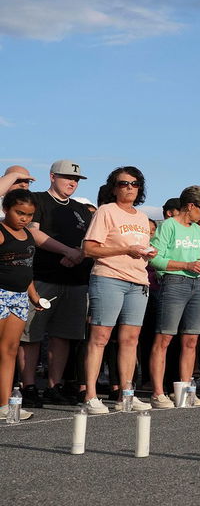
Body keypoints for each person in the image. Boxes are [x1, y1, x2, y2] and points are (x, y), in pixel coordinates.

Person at [80, 167, 157, 413]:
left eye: (134, 183)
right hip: (109, 277)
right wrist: (125, 250)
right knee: (100, 337)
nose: (129, 188)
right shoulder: (106, 211)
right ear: (114, 187)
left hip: (138, 280)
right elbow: (89, 249)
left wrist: (147, 253)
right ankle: (91, 395)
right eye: (123, 183)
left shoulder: (142, 217)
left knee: (130, 339)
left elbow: (138, 249)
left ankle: (126, 393)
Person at [18, 160, 90, 407]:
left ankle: (54, 385)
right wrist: (66, 251)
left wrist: (77, 254)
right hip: (42, 276)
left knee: (63, 336)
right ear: (52, 176)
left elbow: (88, 241)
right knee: (32, 335)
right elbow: (33, 232)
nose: (72, 183)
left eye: (76, 179)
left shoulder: (80, 209)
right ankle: (28, 386)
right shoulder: (37, 200)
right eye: (67, 177)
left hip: (75, 279)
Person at [146, 185, 200, 408]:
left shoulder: (196, 230)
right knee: (164, 338)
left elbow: (195, 257)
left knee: (191, 339)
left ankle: (185, 390)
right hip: (173, 283)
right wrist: (187, 265)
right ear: (190, 206)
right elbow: (154, 259)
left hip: (195, 284)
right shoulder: (167, 226)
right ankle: (158, 392)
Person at [1, 189, 63, 420]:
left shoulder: (28, 235)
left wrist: (34, 296)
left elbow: (27, 271)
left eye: (29, 214)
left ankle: (5, 404)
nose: (24, 218)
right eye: (19, 213)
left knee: (9, 351)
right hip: (0, 294)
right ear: (6, 208)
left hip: (19, 297)